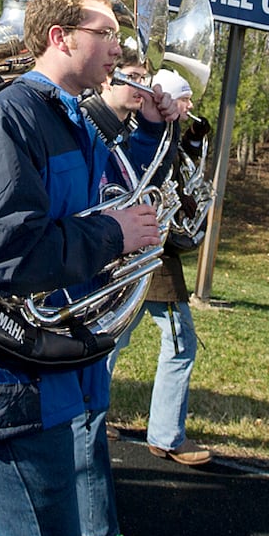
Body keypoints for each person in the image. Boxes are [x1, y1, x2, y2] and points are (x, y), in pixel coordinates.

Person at [0, 0, 180, 536]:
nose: (119, 49)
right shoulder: (8, 117)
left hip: (26, 375)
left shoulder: (69, 118)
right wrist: (115, 234)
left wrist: (153, 128)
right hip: (5, 382)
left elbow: (118, 188)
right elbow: (11, 256)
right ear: (60, 37)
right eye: (106, 34)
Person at [75, 55, 163, 536]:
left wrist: (154, 126)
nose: (145, 84)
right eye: (136, 72)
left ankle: (93, 534)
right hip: (71, 300)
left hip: (91, 298)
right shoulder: (83, 127)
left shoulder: (116, 136)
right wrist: (116, 232)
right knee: (84, 414)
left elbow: (139, 180)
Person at [106, 68, 212, 468]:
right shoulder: (150, 133)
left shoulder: (168, 136)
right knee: (179, 342)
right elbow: (160, 176)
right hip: (154, 259)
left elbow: (185, 174)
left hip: (152, 254)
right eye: (183, 98)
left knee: (114, 336)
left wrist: (197, 141)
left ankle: (86, 413)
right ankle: (166, 435)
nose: (187, 106)